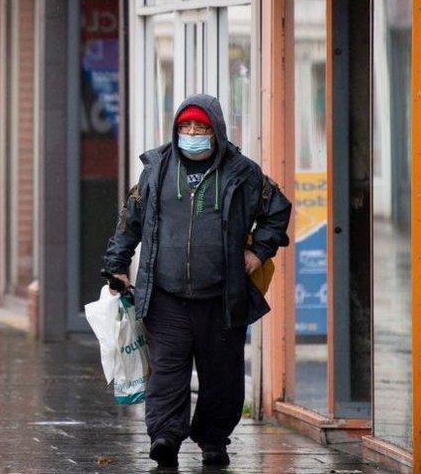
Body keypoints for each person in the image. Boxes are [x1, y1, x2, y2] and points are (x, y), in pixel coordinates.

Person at [102, 94, 291, 468]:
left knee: (222, 377)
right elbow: (131, 220)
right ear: (176, 130)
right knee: (167, 374)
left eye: (200, 128)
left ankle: (214, 439)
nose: (192, 133)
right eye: (185, 127)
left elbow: (277, 211)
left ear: (216, 131)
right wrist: (116, 265)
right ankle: (165, 437)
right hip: (166, 295)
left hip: (222, 296)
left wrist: (258, 253)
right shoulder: (156, 169)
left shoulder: (243, 173)